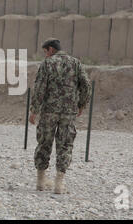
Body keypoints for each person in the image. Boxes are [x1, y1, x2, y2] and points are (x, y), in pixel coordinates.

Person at [29, 38, 91, 193]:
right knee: (65, 145)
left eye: (45, 52)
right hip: (68, 112)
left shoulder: (47, 63)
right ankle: (59, 183)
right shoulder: (75, 63)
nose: (45, 55)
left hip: (49, 111)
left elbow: (39, 88)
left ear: (50, 49)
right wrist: (81, 104)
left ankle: (40, 182)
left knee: (44, 143)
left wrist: (34, 110)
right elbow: (86, 85)